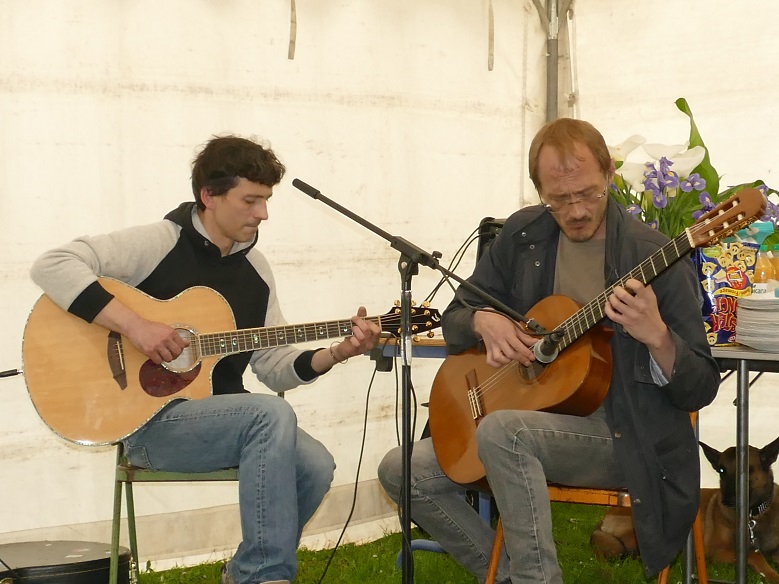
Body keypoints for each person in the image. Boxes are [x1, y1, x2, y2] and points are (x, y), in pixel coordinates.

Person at [378, 118, 720, 583]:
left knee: (504, 433)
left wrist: (657, 336)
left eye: (588, 193)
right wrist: (483, 319)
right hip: (526, 415)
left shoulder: (654, 254)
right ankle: (501, 575)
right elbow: (456, 313)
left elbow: (700, 385)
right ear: (539, 190)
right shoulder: (524, 236)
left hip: (627, 436)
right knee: (403, 469)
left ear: (609, 178)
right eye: (559, 199)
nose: (576, 210)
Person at [30, 135, 381, 584]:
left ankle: (240, 572)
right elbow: (54, 264)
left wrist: (339, 351)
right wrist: (136, 326)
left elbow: (272, 365)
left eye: (267, 200)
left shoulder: (256, 273)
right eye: (251, 200)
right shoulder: (158, 242)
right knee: (269, 413)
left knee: (314, 466)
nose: (263, 214)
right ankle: (265, 577)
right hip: (147, 423)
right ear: (209, 196)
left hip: (222, 420)